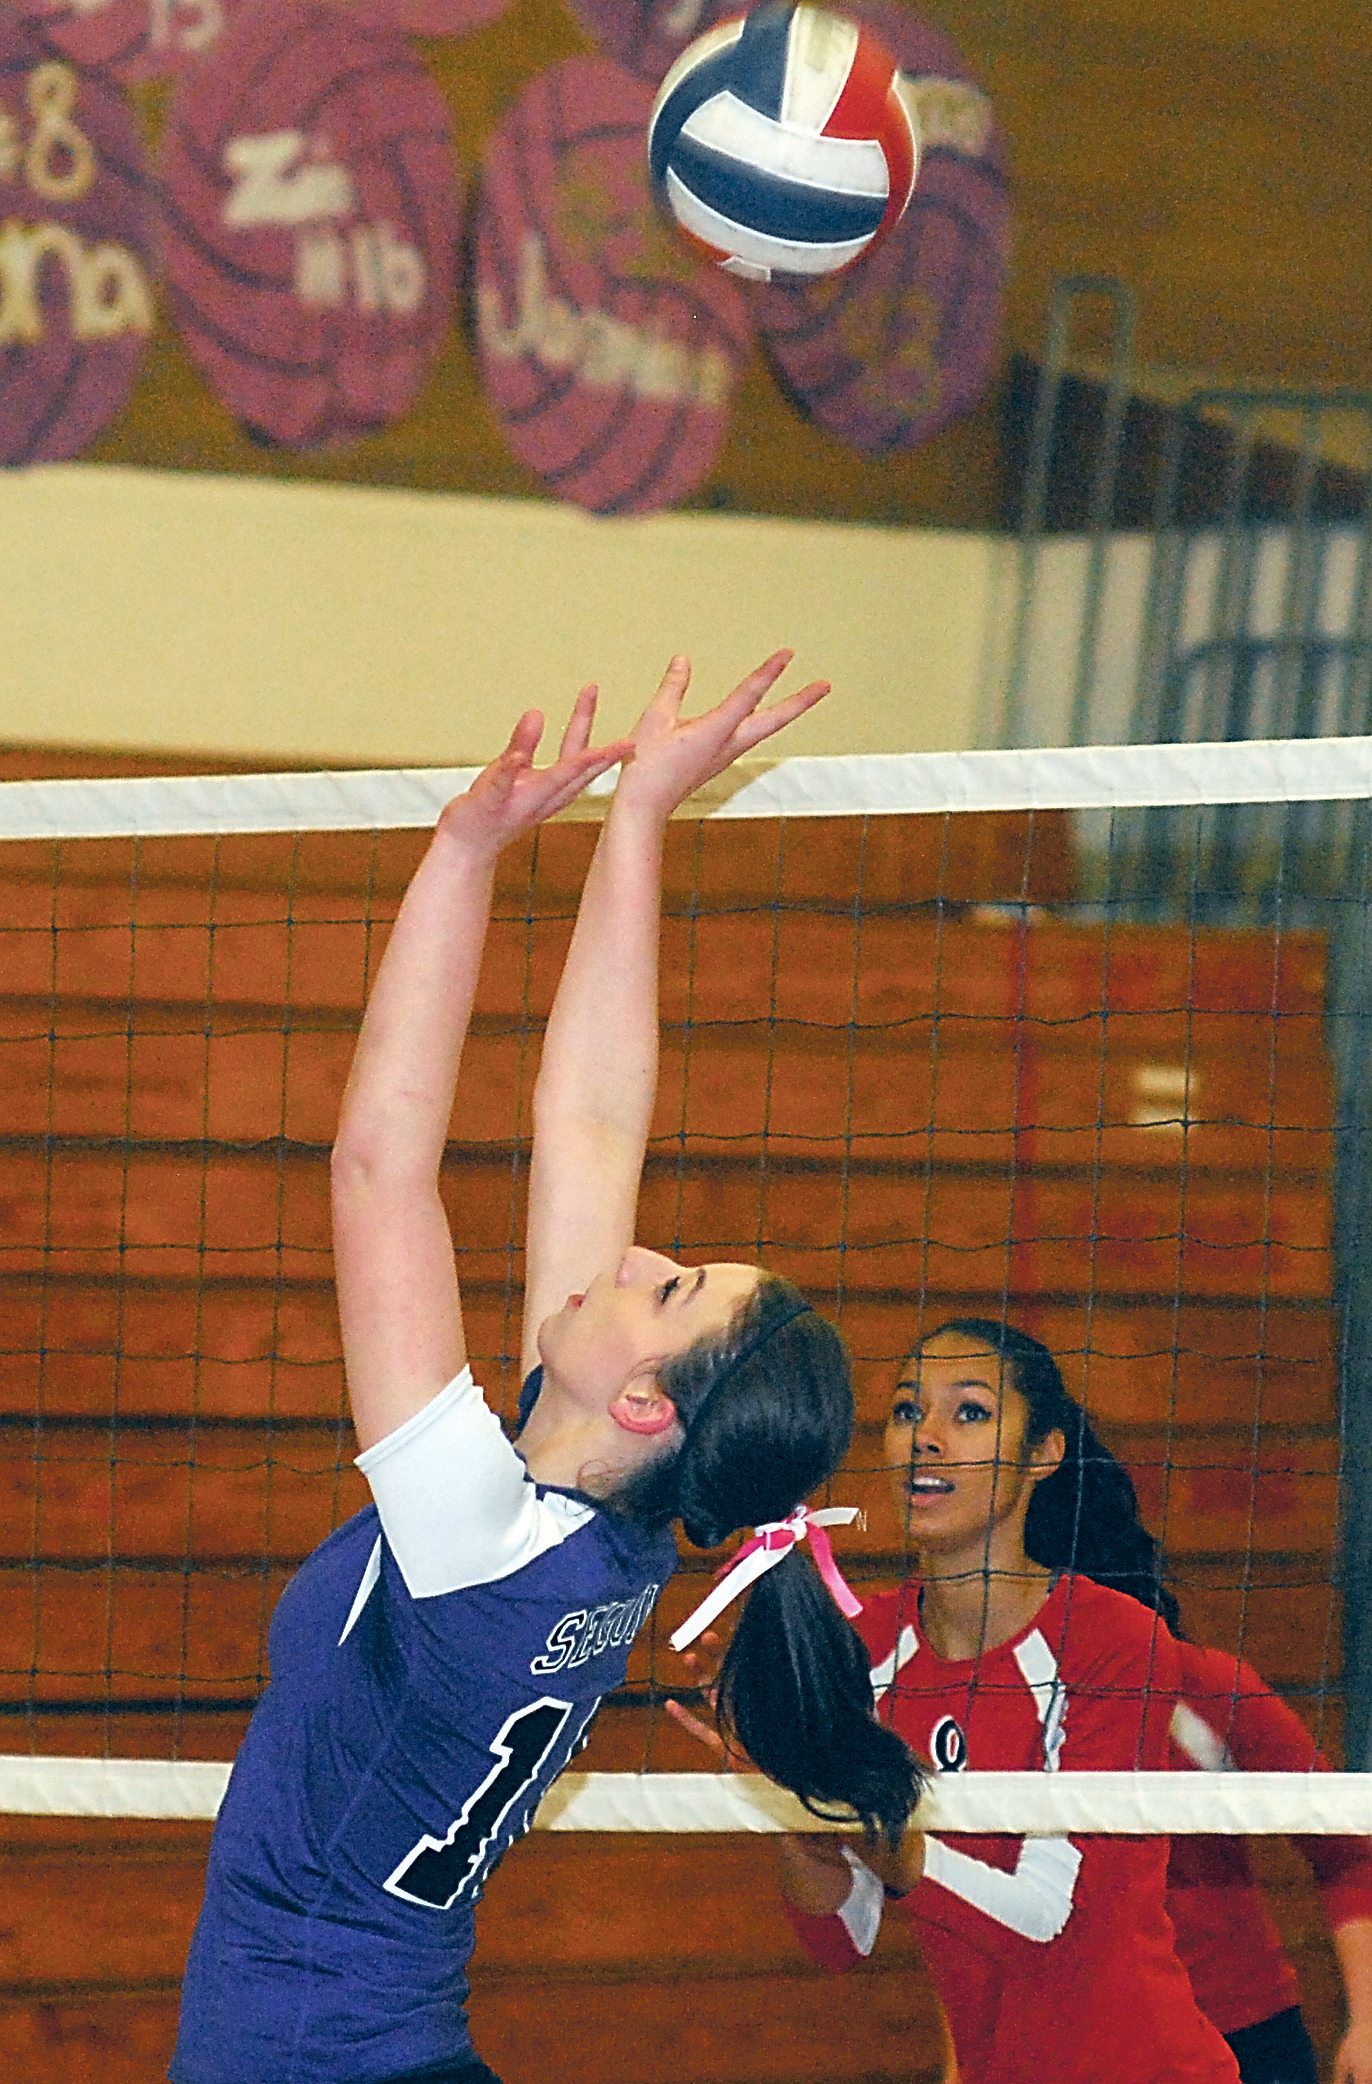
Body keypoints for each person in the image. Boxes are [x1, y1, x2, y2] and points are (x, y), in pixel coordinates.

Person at [168, 653, 925, 2084]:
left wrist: (465, 853)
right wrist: (636, 819)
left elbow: (378, 1169)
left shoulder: (486, 1544)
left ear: (648, 1399)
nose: (641, 1256)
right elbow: (589, 1123)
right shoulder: (604, 1527)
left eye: (674, 1284)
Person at [673, 1316, 1241, 2084]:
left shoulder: (1115, 1638)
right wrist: (794, 1800)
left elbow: (1048, 1921)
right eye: (908, 1410)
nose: (926, 1436)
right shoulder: (864, 1642)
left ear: (1044, 1453)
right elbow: (844, 1936)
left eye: (969, 1412)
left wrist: (892, 1842)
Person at [1166, 1639, 1372, 2084]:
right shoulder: (1020, 1691)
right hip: (1085, 2034)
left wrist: (1371, 2028)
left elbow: (1347, 1857)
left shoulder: (1207, 1686)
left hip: (1242, 2028)